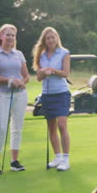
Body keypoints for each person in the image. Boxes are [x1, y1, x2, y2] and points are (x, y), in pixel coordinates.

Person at [0, 24, 30, 174]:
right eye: (8, 35)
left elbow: (26, 76)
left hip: (19, 94)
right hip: (2, 94)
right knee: (1, 128)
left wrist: (20, 83)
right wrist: (10, 81)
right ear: (1, 36)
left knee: (17, 128)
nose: (11, 38)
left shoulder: (19, 54)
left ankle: (14, 161)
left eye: (13, 35)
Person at [32, 27, 71, 171]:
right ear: (44, 40)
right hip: (47, 94)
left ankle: (66, 159)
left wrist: (52, 71)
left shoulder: (64, 53)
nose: (50, 40)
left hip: (61, 93)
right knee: (52, 127)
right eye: (48, 38)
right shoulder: (41, 55)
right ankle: (58, 157)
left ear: (57, 38)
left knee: (62, 125)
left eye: (52, 37)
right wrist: (43, 73)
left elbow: (65, 73)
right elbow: (38, 78)